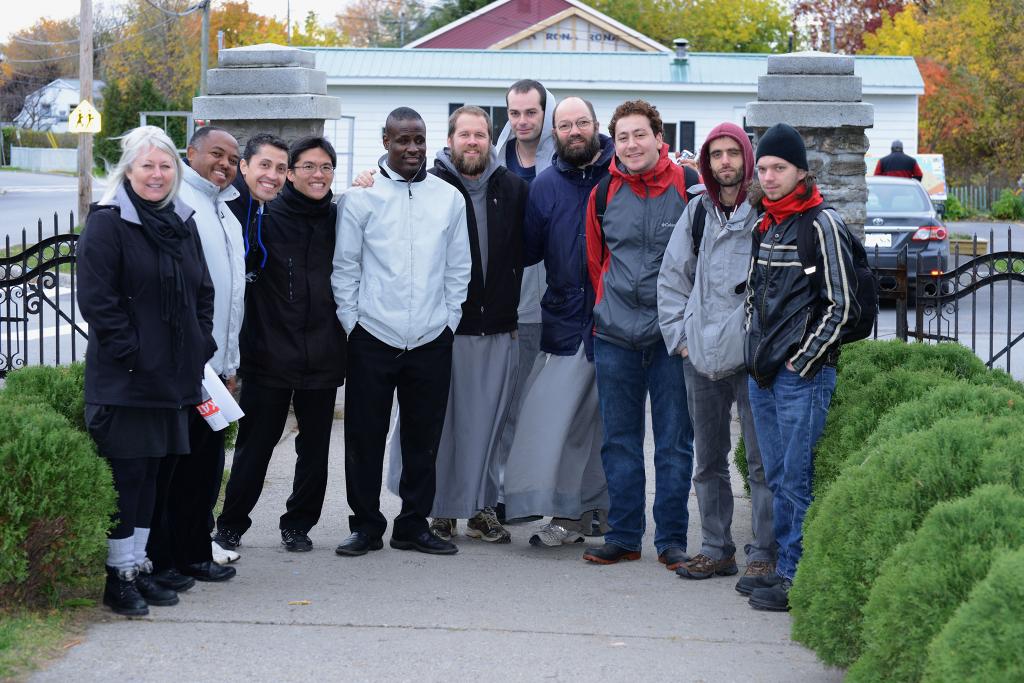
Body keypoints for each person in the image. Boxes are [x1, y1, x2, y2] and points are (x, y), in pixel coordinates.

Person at [78, 125, 216, 615]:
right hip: (127, 381)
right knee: (127, 480)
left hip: (174, 379)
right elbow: (99, 303)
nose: (157, 175)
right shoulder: (108, 224)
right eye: (147, 166)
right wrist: (137, 356)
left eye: (165, 166)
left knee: (153, 479)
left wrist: (199, 344)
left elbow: (203, 291)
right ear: (128, 171)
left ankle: (138, 567)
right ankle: (118, 578)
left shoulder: (180, 221)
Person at [385, 106, 528, 544]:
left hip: (497, 326)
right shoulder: (428, 186)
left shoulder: (514, 189)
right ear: (449, 141)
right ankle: (439, 510)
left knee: (487, 426)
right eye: (464, 134)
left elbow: (530, 249)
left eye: (480, 134)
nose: (472, 142)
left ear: (490, 140)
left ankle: (482, 508)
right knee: (440, 426)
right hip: (442, 328)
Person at [332, 107, 471, 557]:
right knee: (364, 437)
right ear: (385, 140)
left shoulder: (448, 198)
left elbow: (458, 267)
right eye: (403, 139)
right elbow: (345, 267)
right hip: (372, 335)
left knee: (423, 438)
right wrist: (353, 324)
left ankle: (412, 525)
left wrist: (449, 322)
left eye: (419, 139)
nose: (412, 148)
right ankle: (366, 526)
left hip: (431, 337)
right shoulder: (361, 198)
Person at [743, 123, 859, 611]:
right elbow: (754, 296)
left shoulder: (822, 224)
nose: (769, 177)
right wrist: (752, 348)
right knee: (775, 475)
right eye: (763, 168)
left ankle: (796, 577)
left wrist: (803, 360)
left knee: (796, 477)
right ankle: (782, 566)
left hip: (800, 378)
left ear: (801, 172)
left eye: (779, 168)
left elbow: (843, 305)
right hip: (763, 375)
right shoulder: (764, 224)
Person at [213, 137, 347, 554]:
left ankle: (298, 524)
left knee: (315, 449)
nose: (318, 175)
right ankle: (230, 525)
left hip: (323, 353)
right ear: (291, 174)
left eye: (326, 167)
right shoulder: (265, 215)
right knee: (255, 445)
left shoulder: (340, 218)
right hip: (268, 353)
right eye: (308, 166)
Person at [657, 122, 776, 589]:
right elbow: (672, 279)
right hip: (701, 356)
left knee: (761, 463)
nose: (725, 161)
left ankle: (764, 554)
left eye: (733, 152)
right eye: (716, 154)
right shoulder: (697, 212)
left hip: (753, 359)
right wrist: (681, 339)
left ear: (747, 158)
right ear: (706, 162)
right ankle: (715, 548)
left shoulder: (766, 213)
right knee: (707, 460)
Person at [580, 100, 694, 569]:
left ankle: (671, 541)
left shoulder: (688, 186)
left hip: (671, 340)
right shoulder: (604, 192)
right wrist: (610, 311)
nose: (631, 144)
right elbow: (595, 263)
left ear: (658, 138)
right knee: (619, 442)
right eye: (623, 137)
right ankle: (624, 536)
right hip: (614, 336)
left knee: (674, 443)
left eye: (639, 134)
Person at [501, 96, 611, 547]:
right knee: (561, 422)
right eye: (565, 126)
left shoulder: (619, 175)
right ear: (555, 132)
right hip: (565, 321)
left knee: (613, 428)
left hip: (619, 321)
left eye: (581, 123)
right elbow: (523, 252)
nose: (574, 132)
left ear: (596, 124)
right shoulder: (545, 186)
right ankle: (567, 514)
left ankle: (607, 516)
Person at [147, 126, 242, 583]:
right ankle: (166, 558)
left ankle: (195, 554)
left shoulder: (228, 213)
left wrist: (230, 364)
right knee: (177, 470)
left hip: (216, 368)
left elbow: (232, 297)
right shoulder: (179, 203)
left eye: (233, 159)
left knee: (205, 468)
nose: (225, 165)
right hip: (186, 363)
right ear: (191, 153)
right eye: (216, 154)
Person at [492, 79, 557, 525]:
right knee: (507, 403)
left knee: (545, 406)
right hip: (508, 304)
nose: (522, 121)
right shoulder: (498, 159)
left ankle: (542, 493)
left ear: (545, 113)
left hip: (555, 302)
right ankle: (504, 493)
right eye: (514, 113)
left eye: (530, 112)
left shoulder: (565, 160)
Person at [226, 133, 290, 283]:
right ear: (244, 166)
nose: (273, 176)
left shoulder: (263, 207)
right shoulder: (223, 206)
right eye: (265, 165)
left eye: (281, 169)